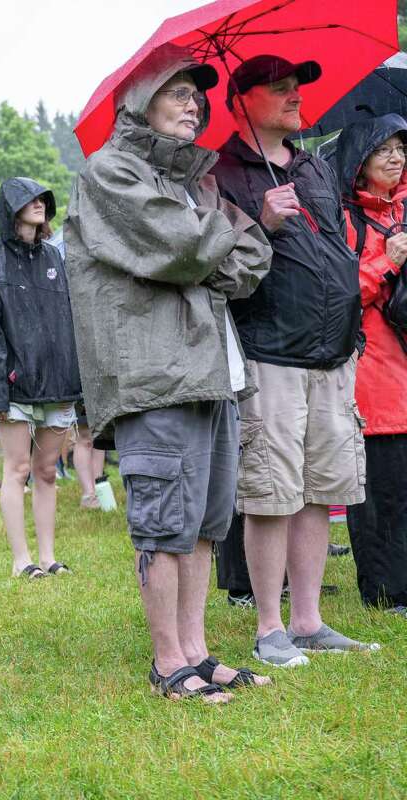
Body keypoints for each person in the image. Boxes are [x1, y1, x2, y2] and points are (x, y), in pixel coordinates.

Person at [66, 44, 274, 701]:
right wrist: (208, 238)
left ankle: (198, 651)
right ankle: (167, 662)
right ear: (141, 103)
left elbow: (250, 262)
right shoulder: (111, 171)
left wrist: (205, 239)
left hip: (212, 369)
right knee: (164, 523)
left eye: (198, 94)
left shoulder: (194, 183)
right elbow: (186, 247)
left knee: (205, 524)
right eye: (179, 92)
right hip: (152, 372)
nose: (196, 104)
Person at [211, 54, 378, 666]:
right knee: (273, 491)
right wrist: (259, 222)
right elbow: (218, 268)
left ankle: (309, 621)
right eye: (277, 89)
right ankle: (269, 626)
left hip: (333, 353)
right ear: (242, 101)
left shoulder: (312, 166)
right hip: (271, 353)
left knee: (319, 488)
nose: (293, 97)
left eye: (296, 87)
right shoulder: (223, 172)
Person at [0, 178, 82, 578]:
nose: (39, 205)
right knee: (17, 470)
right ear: (10, 208)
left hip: (56, 381)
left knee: (48, 471)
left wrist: (74, 379)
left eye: (42, 199)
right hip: (15, 384)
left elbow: (69, 322)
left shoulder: (56, 259)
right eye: (29, 200)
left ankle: (50, 557)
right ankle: (22, 560)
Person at [336, 113, 407, 616]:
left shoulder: (404, 213)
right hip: (374, 376)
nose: (396, 156)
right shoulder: (346, 220)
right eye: (384, 148)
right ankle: (384, 591)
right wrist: (388, 260)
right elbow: (338, 296)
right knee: (380, 494)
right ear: (358, 163)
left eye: (402, 148)